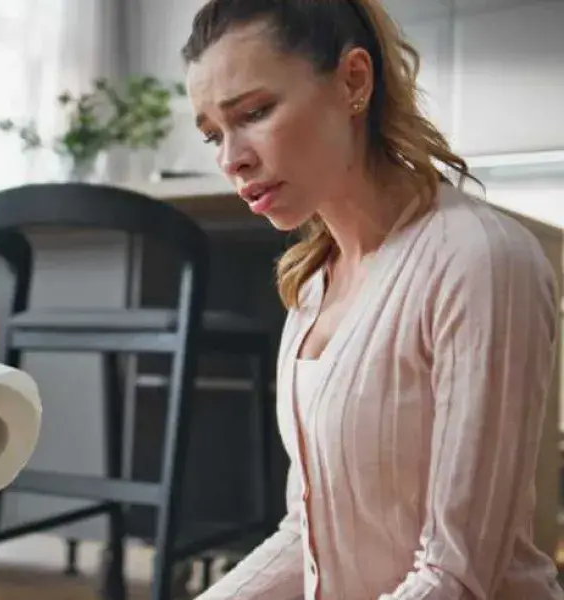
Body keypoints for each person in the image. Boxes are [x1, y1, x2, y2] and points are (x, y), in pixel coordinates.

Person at [181, 0, 564, 598]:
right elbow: (307, 531)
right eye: (213, 135)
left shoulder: (481, 261)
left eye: (254, 112)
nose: (232, 159)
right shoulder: (313, 285)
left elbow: (455, 579)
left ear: (354, 82)